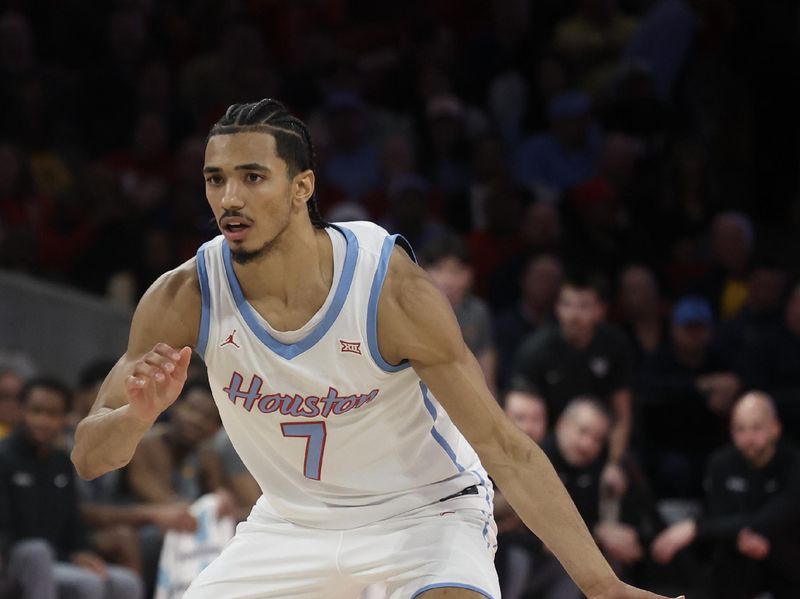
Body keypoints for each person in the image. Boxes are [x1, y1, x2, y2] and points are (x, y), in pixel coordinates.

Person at [71, 98, 680, 599]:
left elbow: (504, 446)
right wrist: (137, 417)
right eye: (215, 179)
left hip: (426, 513)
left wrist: (602, 586)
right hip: (291, 523)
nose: (230, 197)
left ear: (302, 187)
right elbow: (90, 457)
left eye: (252, 177)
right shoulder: (184, 295)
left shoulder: (389, 289)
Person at [0, 377, 143, 599]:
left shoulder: (62, 462)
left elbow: (73, 520)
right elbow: (7, 534)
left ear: (65, 418)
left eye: (52, 414)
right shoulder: (4, 457)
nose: (43, 421)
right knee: (78, 578)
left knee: (127, 583)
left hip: (59, 558)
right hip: (15, 561)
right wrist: (68, 557)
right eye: (36, 411)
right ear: (20, 410)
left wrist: (83, 553)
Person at [651, 392, 800, 599]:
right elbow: (720, 518)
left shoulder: (793, 464)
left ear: (775, 428)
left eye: (756, 428)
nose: (748, 438)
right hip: (736, 561)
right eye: (740, 429)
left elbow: (775, 516)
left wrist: (695, 527)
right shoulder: (720, 463)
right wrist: (740, 535)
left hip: (785, 560)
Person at [513, 273, 635, 499]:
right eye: (567, 304)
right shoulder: (536, 350)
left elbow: (622, 413)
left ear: (600, 310)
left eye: (583, 306)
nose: (574, 315)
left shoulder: (614, 345)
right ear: (557, 307)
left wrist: (614, 463)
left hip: (599, 444)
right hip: (548, 446)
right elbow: (521, 414)